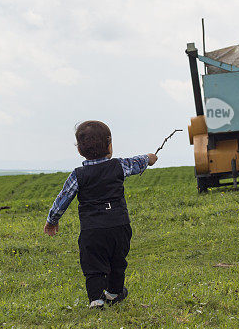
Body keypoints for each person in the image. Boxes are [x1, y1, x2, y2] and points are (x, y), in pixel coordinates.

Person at [43, 120, 157, 308]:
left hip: (92, 229)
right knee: (118, 262)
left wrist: (52, 220)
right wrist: (149, 158)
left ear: (79, 150)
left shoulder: (78, 175)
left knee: (93, 265)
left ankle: (96, 299)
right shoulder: (119, 165)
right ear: (110, 145)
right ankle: (114, 293)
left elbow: (63, 198)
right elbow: (139, 162)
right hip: (119, 226)